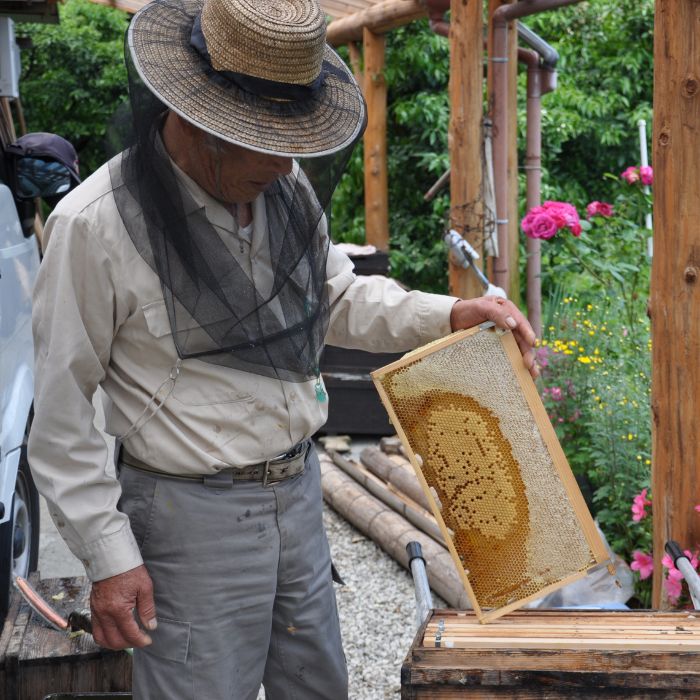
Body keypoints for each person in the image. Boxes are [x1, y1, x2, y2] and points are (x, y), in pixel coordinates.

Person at [28, 0, 538, 698]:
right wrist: (110, 556)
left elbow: (331, 298)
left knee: (317, 686)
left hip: (299, 496)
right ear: (200, 119)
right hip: (186, 520)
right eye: (264, 140)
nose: (283, 160)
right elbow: (59, 420)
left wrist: (451, 313)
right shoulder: (93, 226)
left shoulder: (284, 185)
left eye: (292, 138)